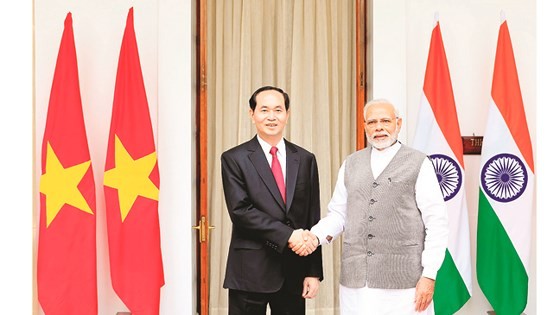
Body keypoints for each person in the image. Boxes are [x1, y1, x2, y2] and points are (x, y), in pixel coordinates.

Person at [293, 99, 448, 314]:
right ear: (365, 126)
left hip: (404, 282)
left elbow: (436, 222)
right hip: (356, 283)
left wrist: (429, 274)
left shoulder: (419, 162)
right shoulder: (351, 163)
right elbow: (338, 215)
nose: (379, 127)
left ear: (398, 123)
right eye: (372, 122)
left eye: (385, 120)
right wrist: (314, 237)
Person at [221, 86, 323, 315]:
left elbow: (312, 216)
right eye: (264, 109)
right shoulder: (234, 158)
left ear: (287, 114)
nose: (271, 116)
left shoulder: (305, 159)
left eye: (278, 110)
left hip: (293, 270)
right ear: (252, 114)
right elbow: (240, 211)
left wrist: (313, 271)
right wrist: (288, 235)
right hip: (249, 270)